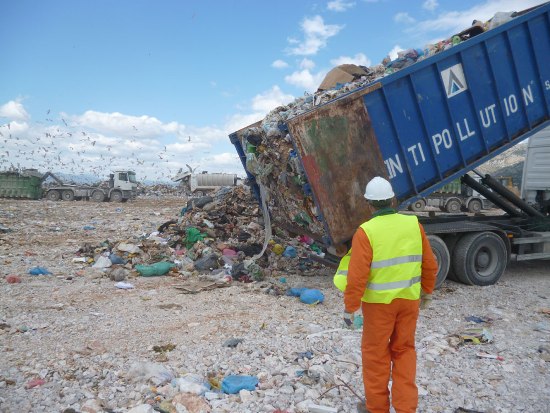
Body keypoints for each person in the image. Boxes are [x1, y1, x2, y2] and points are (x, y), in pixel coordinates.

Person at [334, 176, 438, 413]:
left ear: (369, 204)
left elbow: (357, 276)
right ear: (393, 200)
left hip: (378, 307)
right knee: (404, 352)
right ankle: (405, 408)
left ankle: (377, 408)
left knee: (375, 356)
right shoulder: (413, 225)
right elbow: (429, 264)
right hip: (409, 302)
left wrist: (350, 308)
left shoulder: (366, 231)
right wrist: (428, 292)